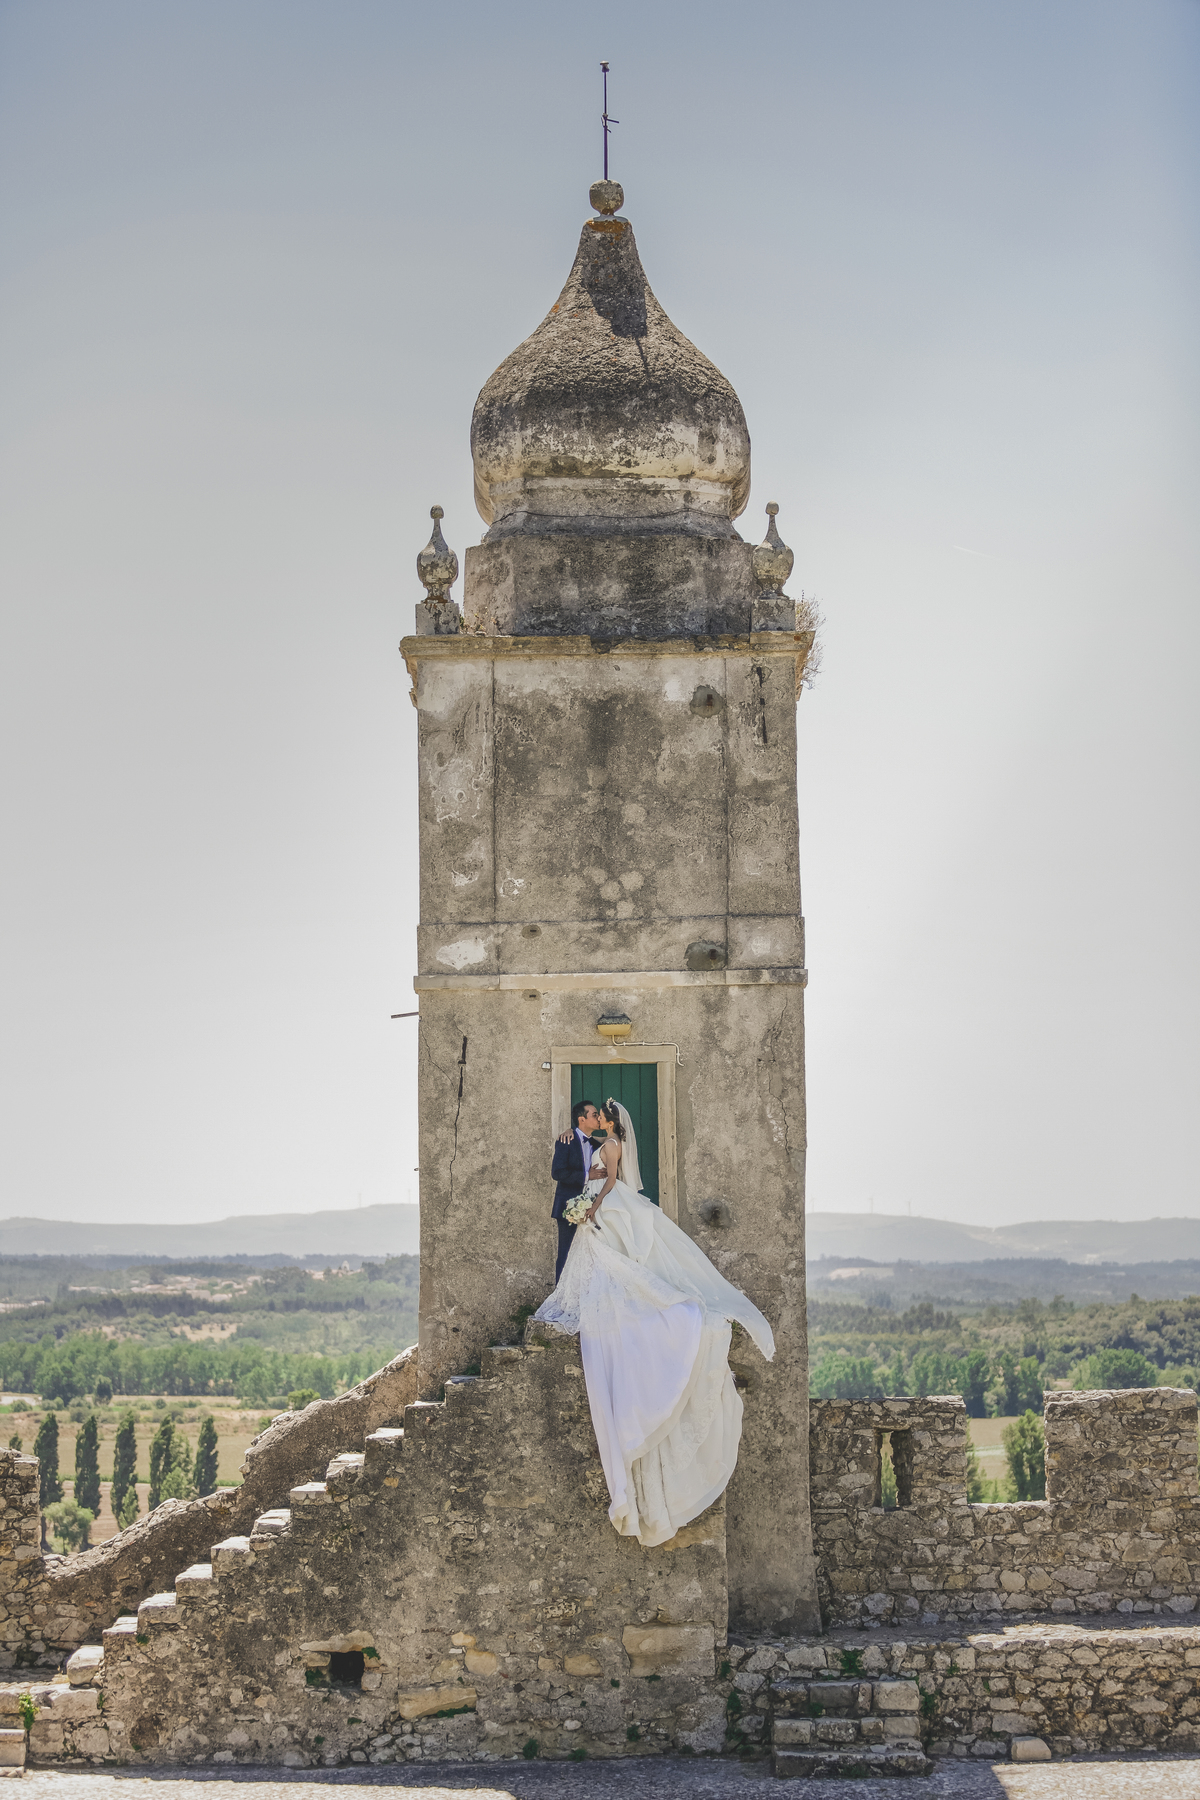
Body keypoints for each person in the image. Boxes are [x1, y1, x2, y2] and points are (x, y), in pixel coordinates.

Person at [535, 1097, 774, 1548]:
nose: (600, 1120)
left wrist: (593, 1204)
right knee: (597, 1260)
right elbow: (578, 1174)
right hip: (598, 1203)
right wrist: (585, 1196)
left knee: (609, 1263)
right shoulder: (591, 1141)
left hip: (605, 1203)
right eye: (596, 1116)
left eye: (601, 1115)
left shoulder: (609, 1145)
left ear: (606, 1119)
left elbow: (607, 1183)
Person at [549, 1099, 602, 1280]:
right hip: (567, 1207)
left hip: (593, 1209)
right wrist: (587, 1176)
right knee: (566, 1253)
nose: (598, 1118)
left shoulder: (597, 1145)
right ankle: (559, 1298)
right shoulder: (566, 1140)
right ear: (582, 1119)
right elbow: (557, 1172)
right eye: (594, 1115)